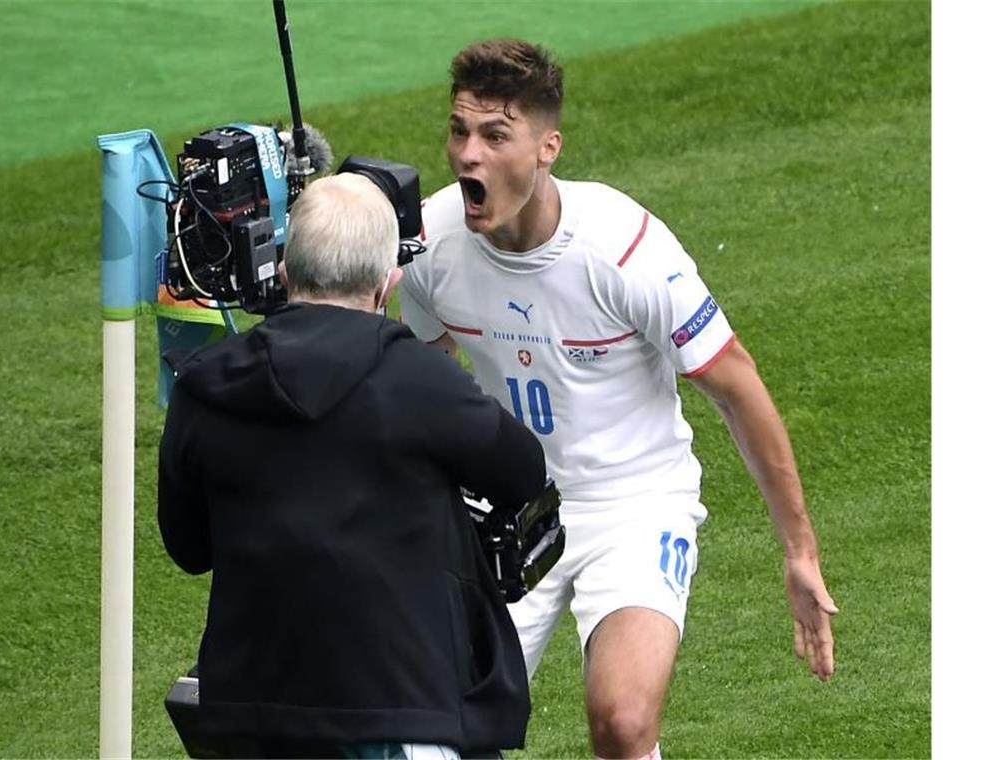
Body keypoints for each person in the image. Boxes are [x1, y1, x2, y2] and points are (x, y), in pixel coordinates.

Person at [397, 39, 839, 760]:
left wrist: (799, 551)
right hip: (510, 509)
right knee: (439, 725)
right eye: (458, 130)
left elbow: (735, 383)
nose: (466, 155)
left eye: (494, 135)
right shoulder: (431, 242)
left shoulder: (622, 249)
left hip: (634, 502)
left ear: (548, 148)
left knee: (623, 721)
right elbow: (421, 378)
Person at [157, 172, 549, 759]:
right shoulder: (421, 380)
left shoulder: (204, 384)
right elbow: (522, 470)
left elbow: (188, 548)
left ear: (285, 273)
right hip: (401, 707)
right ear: (386, 284)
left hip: (249, 715)